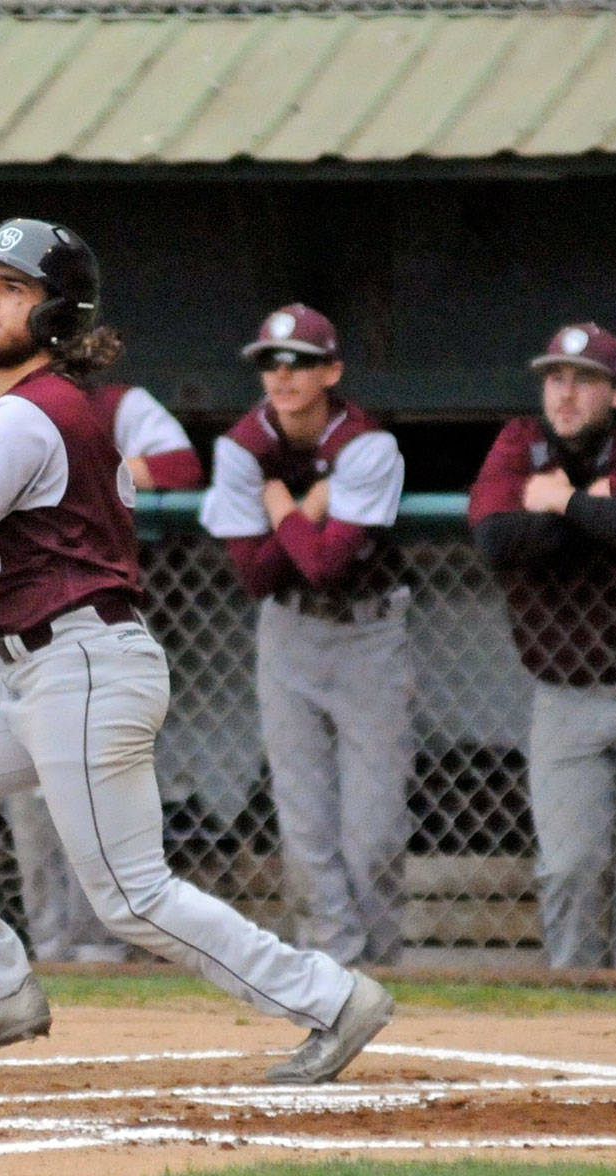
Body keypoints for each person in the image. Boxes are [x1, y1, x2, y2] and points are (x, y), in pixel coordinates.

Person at [0, 217, 393, 1081]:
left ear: (57, 314)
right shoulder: (36, 417)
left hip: (80, 671)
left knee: (128, 894)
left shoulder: (26, 421)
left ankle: (330, 998)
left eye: (14, 288)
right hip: (42, 668)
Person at [0, 375, 203, 965]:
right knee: (24, 810)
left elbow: (182, 467)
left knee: (104, 821)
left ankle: (104, 949)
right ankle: (51, 947)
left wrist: (94, 474)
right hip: (20, 629)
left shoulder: (113, 405)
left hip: (98, 628)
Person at [468, 322, 616, 971]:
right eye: (555, 377)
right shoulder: (519, 441)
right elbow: (495, 540)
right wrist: (593, 510)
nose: (566, 393)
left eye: (586, 379)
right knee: (571, 865)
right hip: (565, 693)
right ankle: (574, 1013)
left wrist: (559, 501)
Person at [199, 304, 413, 967]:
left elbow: (326, 565)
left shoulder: (368, 444)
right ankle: (331, 964)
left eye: (300, 362)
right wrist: (309, 517)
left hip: (370, 633)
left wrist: (285, 511)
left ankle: (378, 962)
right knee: (304, 821)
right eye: (271, 362)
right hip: (287, 632)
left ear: (332, 371)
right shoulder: (240, 445)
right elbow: (259, 577)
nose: (283, 375)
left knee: (373, 830)